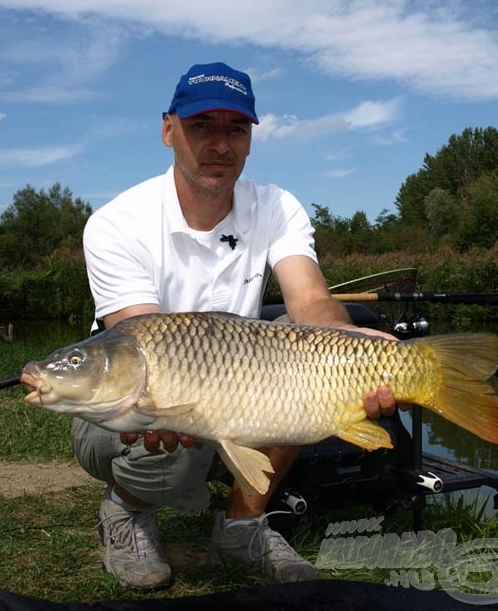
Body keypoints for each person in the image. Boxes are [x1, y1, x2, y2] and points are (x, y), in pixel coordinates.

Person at [71, 61, 398, 590]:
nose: (220, 144)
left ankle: (242, 524)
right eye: (202, 126)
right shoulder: (116, 223)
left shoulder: (276, 206)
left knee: (297, 380)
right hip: (122, 400)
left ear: (249, 140)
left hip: (239, 385)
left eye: (236, 129)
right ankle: (126, 511)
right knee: (178, 408)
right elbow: (142, 345)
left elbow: (311, 300)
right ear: (167, 129)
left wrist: (352, 347)